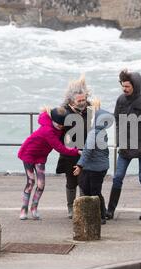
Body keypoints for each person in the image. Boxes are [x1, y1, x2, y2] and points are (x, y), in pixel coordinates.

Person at [106, 69, 141, 220]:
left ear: (135, 86)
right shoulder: (120, 100)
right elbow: (117, 120)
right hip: (126, 146)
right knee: (117, 177)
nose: (124, 89)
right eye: (123, 86)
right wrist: (119, 139)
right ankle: (110, 211)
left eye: (127, 86)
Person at [17, 107, 81, 220]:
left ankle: (34, 208)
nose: (61, 126)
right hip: (28, 154)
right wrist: (77, 151)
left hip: (41, 157)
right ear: (53, 121)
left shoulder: (59, 126)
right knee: (31, 182)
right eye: (59, 124)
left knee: (41, 184)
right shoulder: (48, 131)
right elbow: (60, 148)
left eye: (63, 124)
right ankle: (24, 209)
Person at [56, 75, 92, 219]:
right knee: (71, 181)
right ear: (71, 101)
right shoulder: (63, 111)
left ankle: (82, 206)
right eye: (79, 101)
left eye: (84, 99)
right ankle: (71, 207)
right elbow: (56, 132)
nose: (83, 103)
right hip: (69, 152)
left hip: (85, 150)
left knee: (84, 180)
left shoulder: (89, 108)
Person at [73, 100, 113, 225]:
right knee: (95, 190)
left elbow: (88, 151)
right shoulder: (103, 132)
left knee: (91, 190)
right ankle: (101, 213)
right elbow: (99, 151)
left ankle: (100, 216)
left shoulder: (93, 133)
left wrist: (79, 165)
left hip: (94, 168)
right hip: (102, 166)